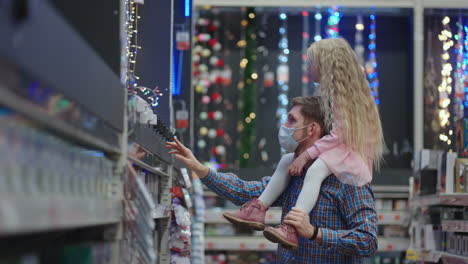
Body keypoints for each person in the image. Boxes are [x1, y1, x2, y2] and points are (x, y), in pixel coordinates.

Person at [166, 96, 378, 263]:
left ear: (312, 129)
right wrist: (200, 169)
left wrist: (315, 233)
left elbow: (367, 240)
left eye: (292, 120)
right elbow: (247, 192)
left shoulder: (347, 179)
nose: (284, 125)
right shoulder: (292, 172)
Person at [219, 38, 384, 249]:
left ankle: (293, 226)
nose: (309, 68)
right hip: (337, 149)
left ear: (326, 66)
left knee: (315, 170)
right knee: (288, 159)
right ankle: (258, 208)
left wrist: (308, 154)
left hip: (347, 152)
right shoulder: (330, 92)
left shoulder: (341, 97)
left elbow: (339, 135)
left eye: (312, 63)